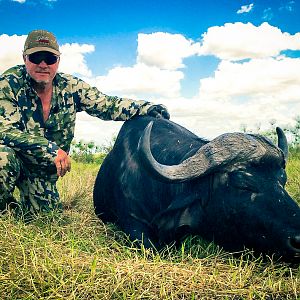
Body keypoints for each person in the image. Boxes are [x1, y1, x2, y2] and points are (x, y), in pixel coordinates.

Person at [0, 29, 170, 215]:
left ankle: (12, 208)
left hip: (41, 173)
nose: (42, 64)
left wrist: (145, 108)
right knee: (2, 157)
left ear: (58, 61)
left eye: (49, 59)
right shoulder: (8, 84)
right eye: (35, 57)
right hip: (14, 158)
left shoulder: (71, 87)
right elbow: (4, 131)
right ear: (24, 58)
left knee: (48, 219)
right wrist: (49, 148)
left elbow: (107, 104)